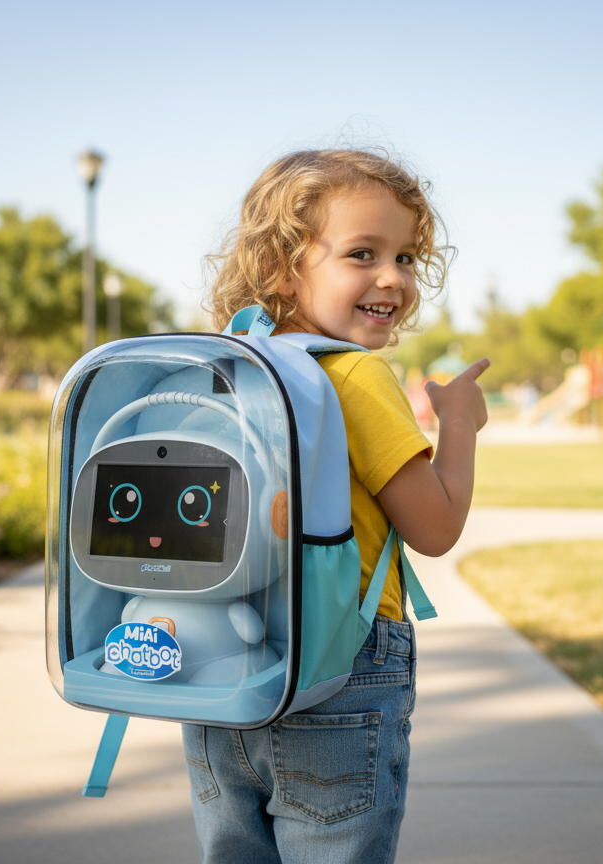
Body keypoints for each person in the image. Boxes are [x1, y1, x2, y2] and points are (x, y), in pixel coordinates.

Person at [181, 149, 489, 864]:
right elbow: (436, 529)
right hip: (341, 666)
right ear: (284, 267)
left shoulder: (231, 368)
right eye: (363, 253)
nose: (394, 278)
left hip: (223, 663)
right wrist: (461, 425)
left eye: (407, 256)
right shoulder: (353, 374)